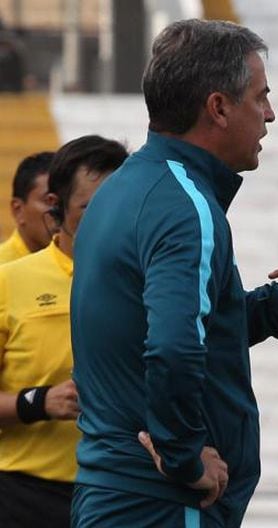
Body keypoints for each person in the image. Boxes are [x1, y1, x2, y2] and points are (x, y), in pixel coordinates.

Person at [69, 19, 278, 528]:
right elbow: (173, 348)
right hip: (162, 504)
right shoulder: (183, 206)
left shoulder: (127, 188)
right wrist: (184, 459)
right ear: (219, 107)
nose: (270, 114)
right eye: (260, 97)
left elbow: (188, 331)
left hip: (118, 495)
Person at [0, 135, 127, 527]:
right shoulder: (9, 281)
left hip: (122, 491)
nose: (110, 219)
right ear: (57, 207)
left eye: (120, 206)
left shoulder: (147, 280)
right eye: (92, 208)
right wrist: (39, 402)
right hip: (25, 495)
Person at [0, 151, 55, 264]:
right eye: (49, 201)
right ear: (18, 210)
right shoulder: (3, 268)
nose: (60, 211)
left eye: (66, 200)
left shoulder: (83, 264)